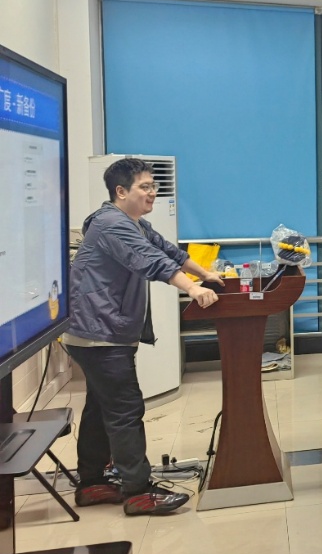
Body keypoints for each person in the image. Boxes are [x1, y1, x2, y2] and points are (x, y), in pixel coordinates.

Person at [66, 158, 222, 516]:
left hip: (101, 331)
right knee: (125, 409)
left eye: (154, 186)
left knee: (100, 407)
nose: (152, 193)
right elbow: (152, 261)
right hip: (100, 332)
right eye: (145, 187)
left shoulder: (133, 223)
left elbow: (168, 251)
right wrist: (192, 289)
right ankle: (138, 492)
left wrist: (206, 275)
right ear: (121, 191)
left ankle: (91, 483)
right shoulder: (111, 224)